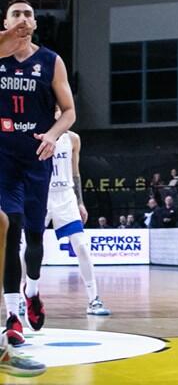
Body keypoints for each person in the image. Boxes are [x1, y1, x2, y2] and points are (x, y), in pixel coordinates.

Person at [1, 0, 76, 346]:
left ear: (35, 23)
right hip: (5, 158)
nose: (22, 18)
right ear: (5, 22)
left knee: (34, 237)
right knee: (9, 230)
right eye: (15, 14)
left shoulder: (50, 61)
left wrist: (52, 134)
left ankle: (32, 291)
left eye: (28, 14)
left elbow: (69, 111)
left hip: (37, 157)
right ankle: (12, 317)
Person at [44, 119, 111, 316]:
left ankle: (94, 299)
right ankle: (25, 296)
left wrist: (80, 201)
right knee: (28, 248)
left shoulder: (73, 139)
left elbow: (76, 173)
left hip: (66, 196)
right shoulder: (37, 135)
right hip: (42, 196)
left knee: (81, 246)